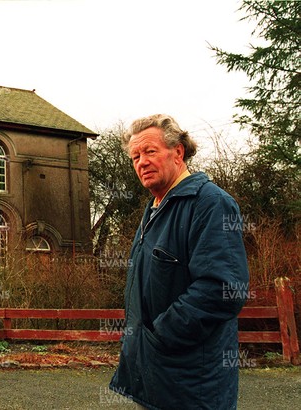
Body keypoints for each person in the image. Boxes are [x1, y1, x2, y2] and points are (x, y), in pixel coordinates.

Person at [109, 114, 249, 409]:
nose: (141, 162)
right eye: (135, 156)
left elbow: (222, 289)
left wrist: (161, 334)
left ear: (178, 152)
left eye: (150, 151)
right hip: (155, 376)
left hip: (192, 382)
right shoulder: (155, 209)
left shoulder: (210, 203)